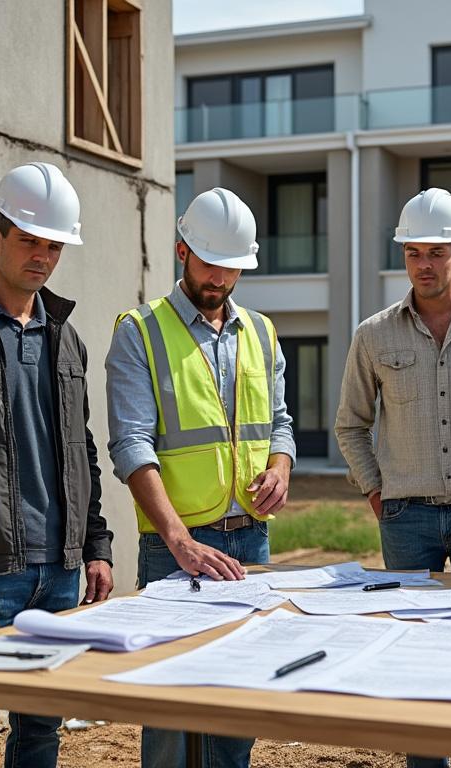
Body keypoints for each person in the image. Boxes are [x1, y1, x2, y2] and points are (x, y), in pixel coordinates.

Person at [0, 162, 114, 767]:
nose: (42, 256)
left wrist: (96, 545)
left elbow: (79, 448)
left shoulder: (66, 337)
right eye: (30, 240)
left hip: (59, 573)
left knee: (41, 731)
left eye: (53, 244)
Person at [105, 187, 295, 768]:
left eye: (231, 266)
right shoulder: (139, 331)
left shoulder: (261, 333)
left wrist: (281, 468)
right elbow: (131, 444)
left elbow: (280, 423)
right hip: (176, 547)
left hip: (249, 540)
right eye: (209, 262)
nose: (219, 277)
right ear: (181, 250)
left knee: (237, 700)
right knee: (171, 708)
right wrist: (178, 539)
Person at [336, 188, 451, 577]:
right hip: (406, 518)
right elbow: (351, 424)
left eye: (436, 253)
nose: (424, 264)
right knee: (411, 628)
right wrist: (376, 493)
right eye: (413, 253)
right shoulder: (372, 335)